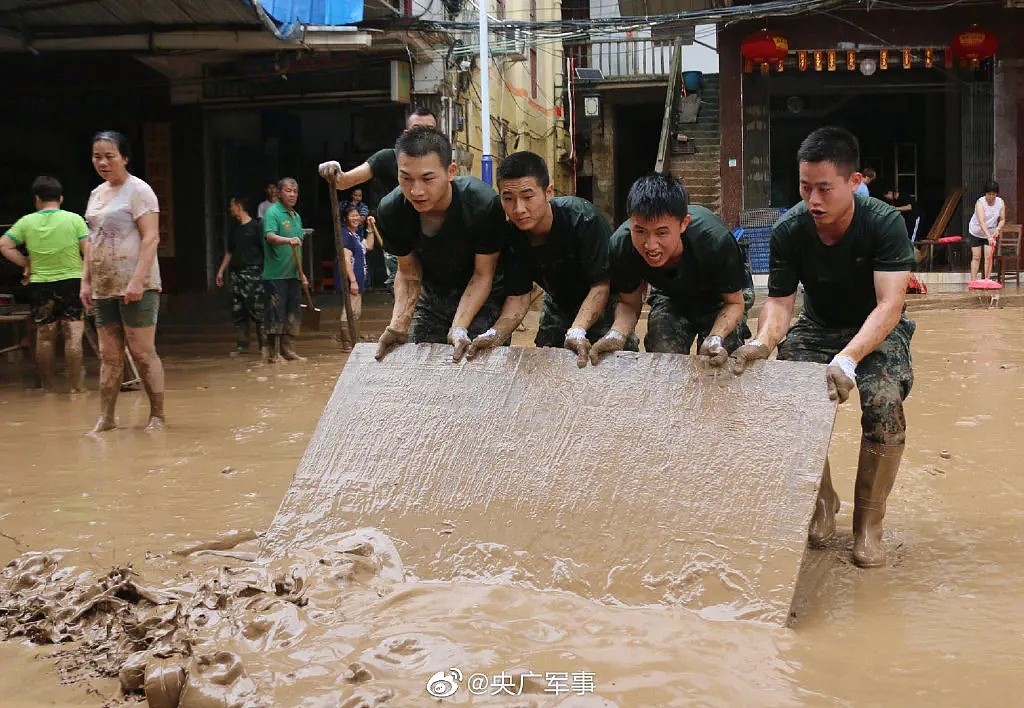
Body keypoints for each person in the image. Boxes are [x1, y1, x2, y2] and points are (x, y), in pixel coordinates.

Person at [727, 126, 915, 568]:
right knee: (790, 397)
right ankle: (822, 502)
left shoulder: (884, 223)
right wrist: (763, 341)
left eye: (824, 188)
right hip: (818, 325)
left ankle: (868, 526)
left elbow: (890, 306)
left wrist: (849, 358)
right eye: (805, 187)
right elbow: (778, 302)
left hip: (874, 328)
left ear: (854, 182)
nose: (813, 200)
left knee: (884, 401)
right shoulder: (790, 229)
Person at [463, 150, 627, 366]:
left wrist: (577, 330)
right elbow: (519, 297)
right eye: (508, 199)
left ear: (548, 192)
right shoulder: (511, 235)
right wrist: (496, 333)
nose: (518, 209)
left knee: (613, 363)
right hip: (558, 301)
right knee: (546, 362)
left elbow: (601, 286)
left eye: (528, 197)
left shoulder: (583, 219)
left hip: (603, 300)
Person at [372, 127, 508, 362]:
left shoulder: (483, 205)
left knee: (478, 366)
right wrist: (398, 324)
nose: (416, 191)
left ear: (451, 171)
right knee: (420, 362)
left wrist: (459, 328)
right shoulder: (391, 210)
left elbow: (483, 274)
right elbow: (408, 273)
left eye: (427, 179)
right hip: (433, 295)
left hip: (484, 296)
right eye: (406, 178)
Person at [589, 172, 749, 366]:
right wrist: (616, 335)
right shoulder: (622, 245)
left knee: (719, 356)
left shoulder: (715, 242)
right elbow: (629, 303)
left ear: (684, 224)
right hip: (671, 294)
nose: (650, 245)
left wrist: (715, 337)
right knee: (661, 350)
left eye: (662, 232)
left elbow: (734, 303)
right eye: (640, 231)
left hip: (721, 297)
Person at [81, 130, 165, 433]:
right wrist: (86, 282)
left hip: (137, 284)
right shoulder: (96, 194)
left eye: (109, 156)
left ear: (125, 158)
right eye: (96, 156)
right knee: (109, 355)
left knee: (142, 352)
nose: (102, 162)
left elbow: (151, 237)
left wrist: (137, 281)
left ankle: (157, 415)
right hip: (104, 285)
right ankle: (107, 417)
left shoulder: (139, 191)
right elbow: (92, 241)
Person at [318, 107, 438, 288]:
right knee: (406, 297)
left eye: (429, 130)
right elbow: (343, 182)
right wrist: (333, 172)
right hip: (400, 244)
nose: (422, 136)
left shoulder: (443, 163)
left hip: (434, 242)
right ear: (406, 134)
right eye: (416, 130)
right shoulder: (387, 158)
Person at [0, 176, 89, 392]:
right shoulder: (74, 219)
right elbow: (89, 252)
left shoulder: (26, 221)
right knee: (73, 334)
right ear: (61, 198)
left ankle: (48, 389)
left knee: (45, 336)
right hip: (72, 281)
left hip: (41, 283)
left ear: (37, 199)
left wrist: (26, 264)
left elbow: (4, 244)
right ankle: (77, 388)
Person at [261, 178, 308, 364]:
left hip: (293, 274)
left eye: (295, 191)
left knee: (292, 313)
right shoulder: (272, 213)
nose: (292, 194)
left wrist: (302, 273)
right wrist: (288, 240)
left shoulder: (296, 216)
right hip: (275, 275)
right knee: (275, 313)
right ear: (279, 193)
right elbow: (270, 236)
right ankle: (273, 354)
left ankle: (288, 350)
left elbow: (299, 248)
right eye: (288, 191)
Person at [215, 196, 264, 355]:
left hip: (255, 275)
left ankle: (264, 347)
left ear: (239, 206)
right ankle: (242, 346)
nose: (231, 209)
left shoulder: (257, 227)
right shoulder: (235, 230)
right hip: (236, 275)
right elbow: (229, 252)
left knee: (258, 311)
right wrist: (221, 271)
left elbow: (266, 251)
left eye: (232, 205)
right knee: (238, 311)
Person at [340, 204, 374, 349]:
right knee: (349, 311)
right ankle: (347, 342)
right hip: (352, 278)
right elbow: (346, 259)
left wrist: (370, 228)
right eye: (352, 215)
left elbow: (369, 246)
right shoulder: (345, 235)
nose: (355, 218)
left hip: (359, 278)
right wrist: (352, 281)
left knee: (356, 311)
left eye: (357, 215)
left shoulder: (356, 235)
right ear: (345, 218)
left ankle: (353, 341)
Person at [967, 181, 1006, 283]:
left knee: (989, 257)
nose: (991, 196)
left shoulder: (1000, 202)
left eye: (993, 194)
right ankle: (973, 281)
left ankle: (987, 280)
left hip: (991, 231)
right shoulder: (980, 203)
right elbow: (981, 221)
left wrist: (997, 229)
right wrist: (988, 236)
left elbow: (1002, 219)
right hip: (976, 231)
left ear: (996, 194)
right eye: (989, 194)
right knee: (976, 256)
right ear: (985, 194)